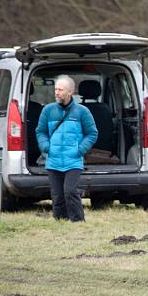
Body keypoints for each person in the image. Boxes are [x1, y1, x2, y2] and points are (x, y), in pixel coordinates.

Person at [36, 75, 98, 222]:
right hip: (53, 160)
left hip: (73, 160)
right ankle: (60, 222)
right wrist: (46, 147)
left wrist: (80, 150)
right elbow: (40, 131)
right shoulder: (48, 110)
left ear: (70, 92)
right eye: (56, 89)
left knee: (70, 191)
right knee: (57, 196)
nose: (57, 92)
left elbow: (92, 133)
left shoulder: (82, 111)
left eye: (60, 90)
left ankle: (77, 221)